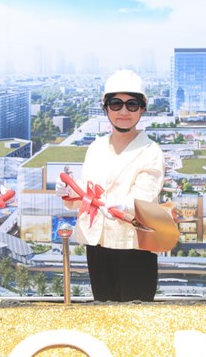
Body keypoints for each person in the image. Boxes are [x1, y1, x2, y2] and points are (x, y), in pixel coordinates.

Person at [56, 69, 164, 302]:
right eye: (116, 104)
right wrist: (69, 194)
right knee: (103, 314)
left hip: (134, 245)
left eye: (132, 105)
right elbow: (87, 194)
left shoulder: (151, 151)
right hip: (98, 243)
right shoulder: (95, 147)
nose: (123, 111)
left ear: (142, 109)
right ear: (105, 108)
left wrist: (119, 205)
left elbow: (143, 199)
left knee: (135, 318)